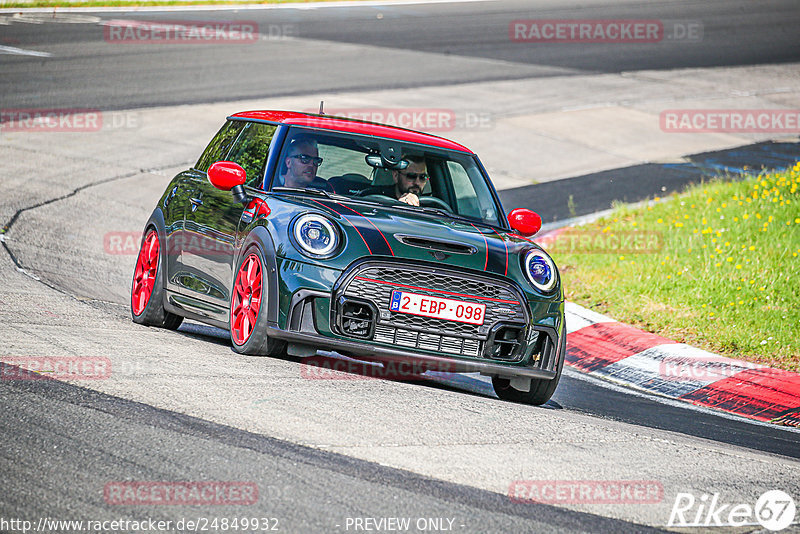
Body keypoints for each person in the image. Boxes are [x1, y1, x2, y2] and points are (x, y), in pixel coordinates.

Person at [362, 155, 428, 206]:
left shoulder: (432, 206)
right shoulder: (372, 197)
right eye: (411, 176)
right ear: (396, 176)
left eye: (422, 177)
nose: (417, 182)